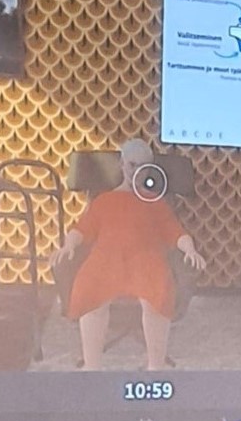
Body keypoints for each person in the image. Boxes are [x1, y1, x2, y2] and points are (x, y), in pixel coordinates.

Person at [52, 139, 205, 370]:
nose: (137, 172)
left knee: (158, 296)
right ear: (122, 165)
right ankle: (92, 367)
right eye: (133, 165)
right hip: (106, 259)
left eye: (144, 167)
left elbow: (175, 232)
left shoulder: (155, 202)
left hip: (146, 259)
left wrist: (190, 249)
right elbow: (82, 229)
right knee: (90, 293)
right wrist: (68, 246)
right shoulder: (104, 200)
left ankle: (155, 367)